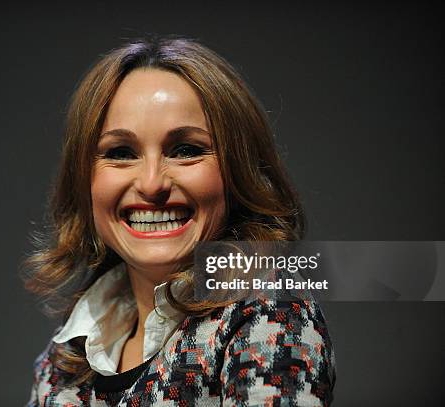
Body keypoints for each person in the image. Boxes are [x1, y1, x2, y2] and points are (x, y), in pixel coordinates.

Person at [23, 37, 335, 406]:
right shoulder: (65, 356)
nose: (152, 183)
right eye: (121, 153)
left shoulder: (271, 312)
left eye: (186, 150)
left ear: (239, 171)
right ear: (83, 181)